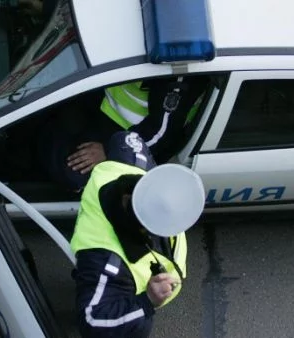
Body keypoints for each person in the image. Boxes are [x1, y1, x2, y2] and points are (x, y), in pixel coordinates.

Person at [70, 131, 206, 338]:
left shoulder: (129, 167)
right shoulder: (108, 261)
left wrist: (103, 150)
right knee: (137, 326)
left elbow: (125, 137)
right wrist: (146, 302)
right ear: (145, 229)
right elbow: (92, 320)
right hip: (119, 285)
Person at [37, 76, 209, 192]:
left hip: (132, 136)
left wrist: (110, 151)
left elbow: (160, 132)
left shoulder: (177, 71)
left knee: (71, 173)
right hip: (105, 108)